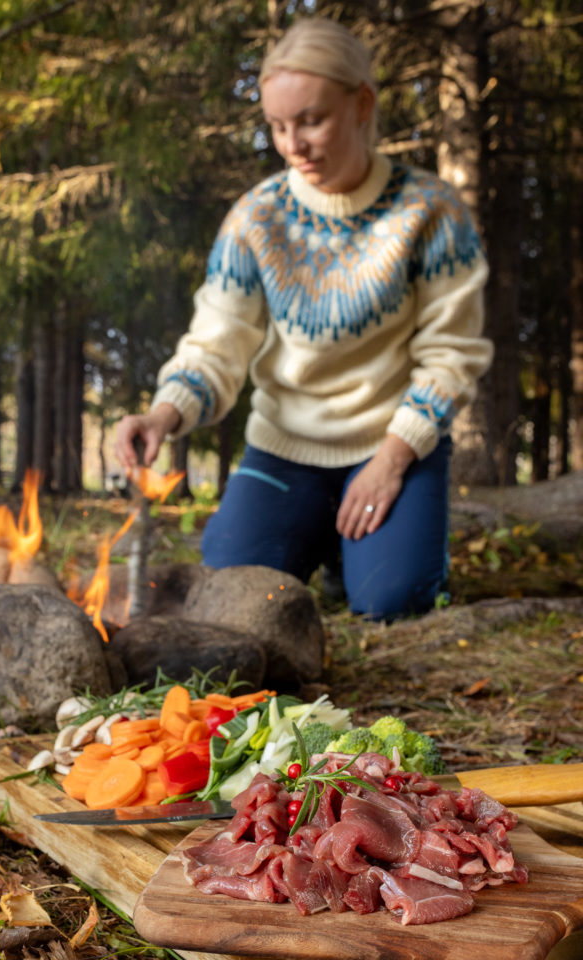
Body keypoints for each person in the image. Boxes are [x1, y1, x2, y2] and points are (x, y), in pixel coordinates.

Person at [114, 17, 493, 620]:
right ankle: (325, 534)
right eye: (277, 126)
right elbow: (217, 343)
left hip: (393, 443)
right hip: (285, 449)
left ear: (362, 103)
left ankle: (359, 557)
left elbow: (453, 357)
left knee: (395, 601)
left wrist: (393, 459)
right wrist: (163, 415)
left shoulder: (432, 212)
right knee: (228, 596)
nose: (293, 145)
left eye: (311, 120)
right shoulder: (256, 218)